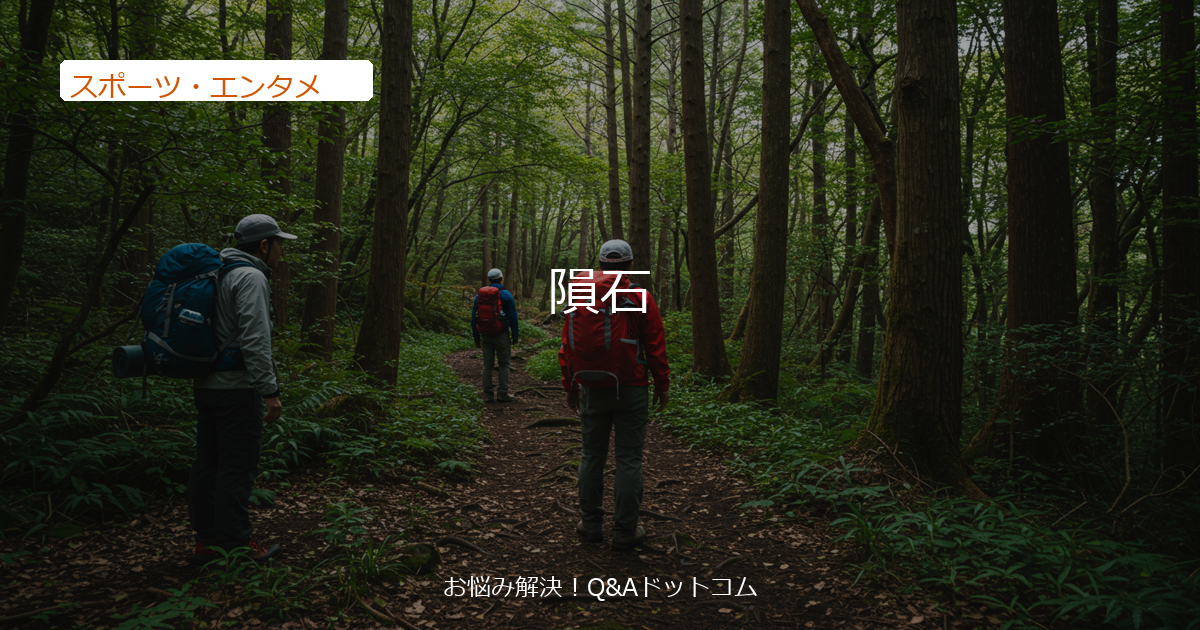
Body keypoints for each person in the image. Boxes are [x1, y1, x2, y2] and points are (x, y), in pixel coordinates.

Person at [187, 214, 295, 565]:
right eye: (279, 244)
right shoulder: (251, 277)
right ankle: (235, 545)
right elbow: (255, 338)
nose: (281, 252)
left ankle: (207, 542)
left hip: (206, 384)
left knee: (207, 464)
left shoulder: (217, 273)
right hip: (236, 387)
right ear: (263, 245)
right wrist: (269, 390)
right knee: (236, 467)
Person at [559, 239, 670, 550]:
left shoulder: (581, 294)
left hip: (591, 387)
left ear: (599, 265)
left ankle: (590, 523)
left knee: (591, 455)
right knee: (629, 460)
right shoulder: (639, 296)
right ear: (630, 265)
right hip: (632, 387)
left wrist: (570, 386)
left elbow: (567, 345)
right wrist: (662, 385)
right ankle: (625, 530)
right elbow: (655, 346)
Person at [471, 268, 519, 403]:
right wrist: (515, 336)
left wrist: (476, 336)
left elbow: (474, 318)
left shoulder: (480, 296)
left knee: (487, 365)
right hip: (501, 334)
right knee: (504, 364)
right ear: (501, 279)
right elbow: (513, 317)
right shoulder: (506, 295)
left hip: (485, 334)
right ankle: (502, 393)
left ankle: (488, 394)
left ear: (489, 279)